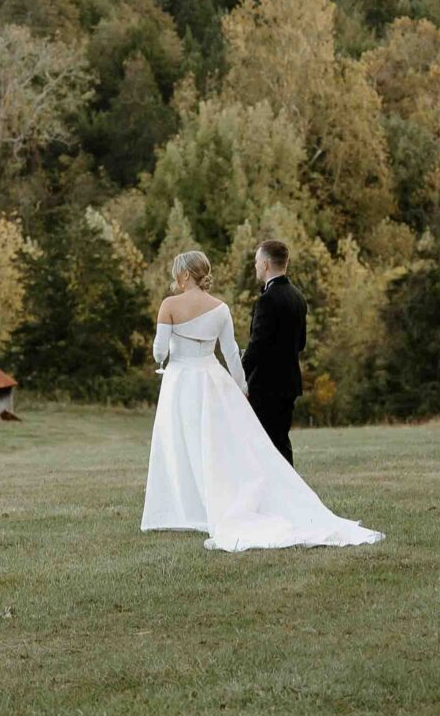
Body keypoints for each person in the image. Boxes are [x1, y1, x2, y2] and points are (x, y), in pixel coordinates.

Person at [139, 249, 381, 553]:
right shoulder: (221, 308)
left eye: (177, 272)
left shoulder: (169, 305)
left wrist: (165, 356)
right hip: (212, 380)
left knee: (179, 444)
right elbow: (230, 353)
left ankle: (184, 509)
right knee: (213, 446)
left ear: (185, 274)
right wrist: (240, 387)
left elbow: (159, 350)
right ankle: (210, 506)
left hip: (181, 380)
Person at [245, 237, 305, 465]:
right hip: (289, 383)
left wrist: (239, 375)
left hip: (266, 386)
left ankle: (281, 496)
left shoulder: (268, 299)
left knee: (264, 445)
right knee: (280, 442)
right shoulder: (298, 297)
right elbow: (300, 343)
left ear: (267, 264)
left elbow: (257, 345)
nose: (256, 266)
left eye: (257, 261)